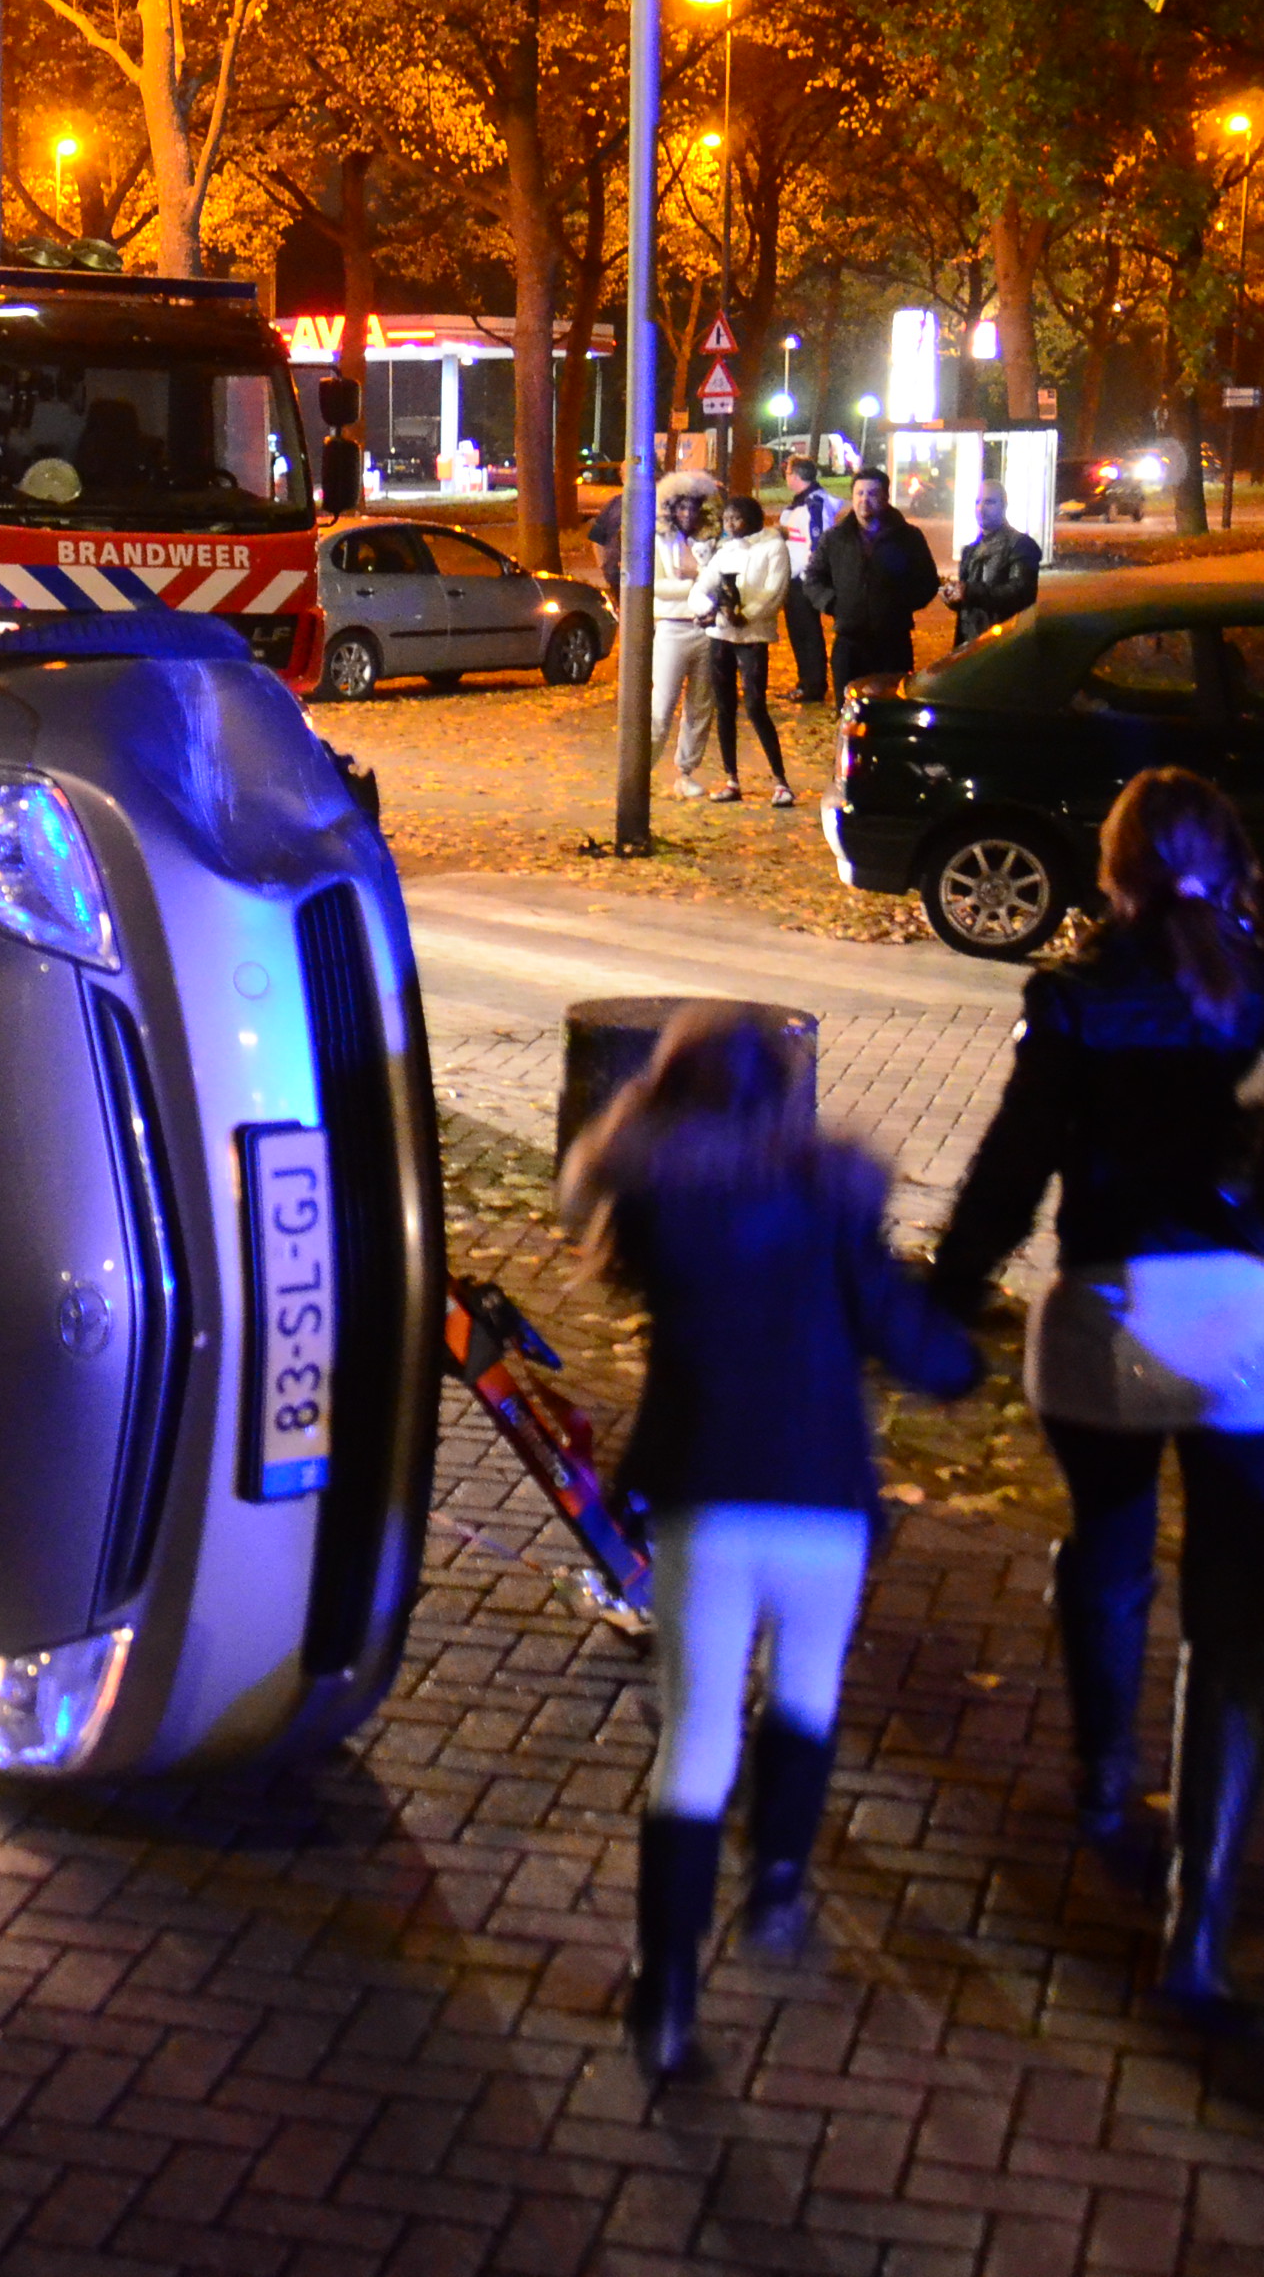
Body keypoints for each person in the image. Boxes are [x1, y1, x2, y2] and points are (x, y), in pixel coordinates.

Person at [559, 1004, 978, 2081]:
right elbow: (903, 1333)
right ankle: (780, 1881)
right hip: (820, 1488)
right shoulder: (831, 1202)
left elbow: (614, 1220)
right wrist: (956, 1365)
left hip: (706, 1487)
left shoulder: (657, 1205)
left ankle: (665, 1997)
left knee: (694, 1736)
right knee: (805, 1690)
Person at [932, 768, 1264, 2022]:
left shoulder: (1071, 1002)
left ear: (1112, 867)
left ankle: (1106, 1790)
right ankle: (1200, 1924)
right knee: (1235, 1628)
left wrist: (951, 1292)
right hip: (1240, 1319)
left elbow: (1010, 1173)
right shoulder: (1251, 992)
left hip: (1106, 1313)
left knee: (1111, 1555)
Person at [701, 491, 796, 807]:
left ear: (751, 520)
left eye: (736, 518)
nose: (729, 524)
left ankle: (780, 780)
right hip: (721, 635)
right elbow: (706, 584)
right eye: (726, 519)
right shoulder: (725, 550)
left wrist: (744, 615)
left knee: (755, 705)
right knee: (724, 707)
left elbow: (774, 592)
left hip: (752, 636)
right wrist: (710, 609)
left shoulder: (773, 548)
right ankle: (731, 778)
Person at [812, 468, 940, 692]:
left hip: (893, 642)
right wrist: (833, 603)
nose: (865, 500)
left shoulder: (908, 537)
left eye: (872, 494)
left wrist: (899, 604)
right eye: (859, 493)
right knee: (849, 714)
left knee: (891, 710)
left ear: (885, 497)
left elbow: (927, 581)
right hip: (849, 641)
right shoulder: (835, 538)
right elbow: (813, 577)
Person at [645, 474, 722, 801]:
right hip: (672, 628)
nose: (687, 515)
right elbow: (654, 585)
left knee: (701, 707)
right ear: (670, 508)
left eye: (693, 507)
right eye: (681, 508)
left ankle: (685, 772)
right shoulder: (659, 541)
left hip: (706, 628)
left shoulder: (714, 542)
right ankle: (641, 769)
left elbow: (723, 582)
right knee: (661, 707)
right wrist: (695, 584)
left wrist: (697, 580)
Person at [944, 479, 1043, 652]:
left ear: (1004, 505)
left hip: (1005, 646)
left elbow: (1020, 593)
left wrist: (969, 591)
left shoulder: (1020, 545)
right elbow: (968, 608)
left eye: (989, 502)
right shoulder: (970, 551)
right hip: (971, 647)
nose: (981, 508)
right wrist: (953, 597)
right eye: (978, 502)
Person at [779, 465, 839, 703]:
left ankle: (813, 685)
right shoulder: (803, 502)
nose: (786, 477)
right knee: (799, 633)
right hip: (797, 578)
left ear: (795, 475)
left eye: (787, 473)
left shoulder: (814, 505)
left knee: (807, 634)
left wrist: (810, 576)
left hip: (804, 580)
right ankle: (805, 682)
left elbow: (817, 543)